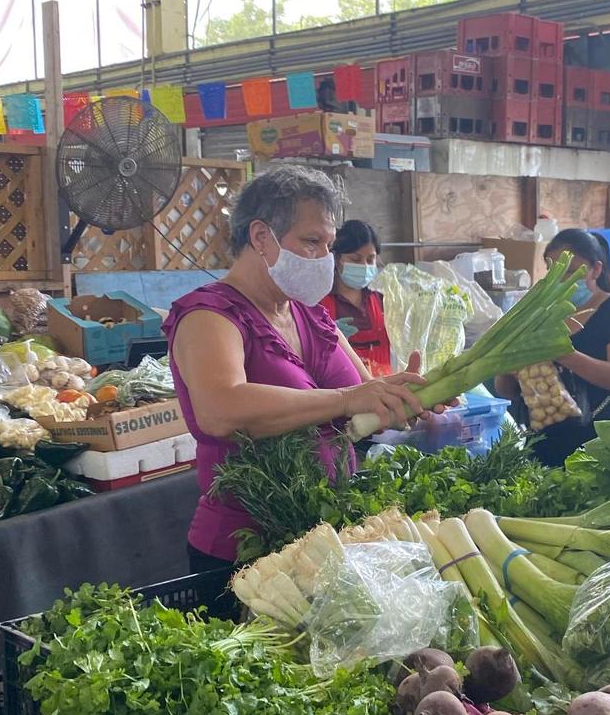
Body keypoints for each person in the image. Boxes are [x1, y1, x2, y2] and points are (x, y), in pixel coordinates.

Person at [162, 165, 431, 581]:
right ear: (261, 237)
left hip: (328, 535)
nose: (325, 257)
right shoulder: (209, 314)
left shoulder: (312, 316)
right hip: (244, 551)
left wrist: (409, 396)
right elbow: (219, 409)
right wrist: (344, 401)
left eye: (328, 244)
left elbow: (365, 396)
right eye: (311, 242)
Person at [497, 228, 610, 467]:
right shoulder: (540, 317)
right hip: (545, 448)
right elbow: (507, 390)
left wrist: (561, 352)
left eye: (570, 271)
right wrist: (509, 362)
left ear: (596, 269)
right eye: (553, 271)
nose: (561, 280)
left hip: (605, 447)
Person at [318, 219, 392, 375]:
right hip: (342, 391)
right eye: (355, 259)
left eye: (370, 259)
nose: (364, 266)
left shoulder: (383, 300)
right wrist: (325, 339)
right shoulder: (318, 303)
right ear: (337, 259)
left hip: (384, 387)